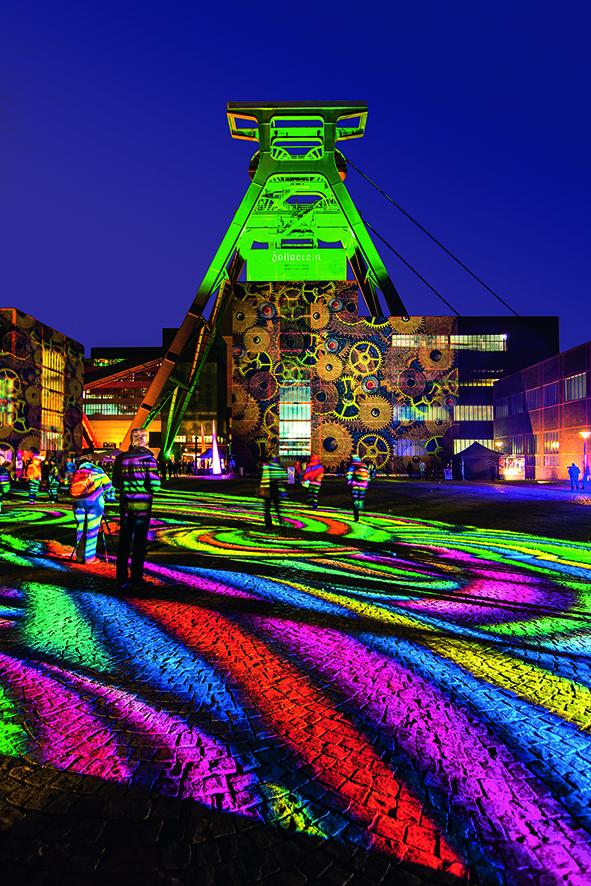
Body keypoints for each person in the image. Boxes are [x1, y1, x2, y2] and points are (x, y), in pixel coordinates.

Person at [113, 428, 161, 590]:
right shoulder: (149, 460)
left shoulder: (120, 459)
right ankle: (136, 577)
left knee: (124, 541)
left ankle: (121, 578)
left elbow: (115, 483)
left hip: (125, 504)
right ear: (145, 441)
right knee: (139, 543)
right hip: (142, 505)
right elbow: (155, 486)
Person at [70, 456, 113, 563]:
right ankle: (89, 558)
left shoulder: (77, 472)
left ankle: (79, 556)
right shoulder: (98, 470)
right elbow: (108, 485)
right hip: (94, 503)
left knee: (80, 528)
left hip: (78, 503)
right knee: (91, 530)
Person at [259, 454, 287, 530]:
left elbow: (265, 478)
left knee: (267, 508)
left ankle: (268, 525)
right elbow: (284, 477)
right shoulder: (278, 467)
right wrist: (282, 490)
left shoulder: (267, 466)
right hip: (276, 489)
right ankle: (281, 522)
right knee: (277, 507)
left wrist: (262, 489)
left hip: (268, 489)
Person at [346, 455, 370, 522]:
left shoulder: (353, 466)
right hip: (364, 486)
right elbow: (368, 475)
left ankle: (356, 517)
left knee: (355, 499)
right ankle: (360, 502)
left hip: (355, 485)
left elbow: (349, 475)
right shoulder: (364, 465)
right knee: (361, 497)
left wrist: (349, 482)